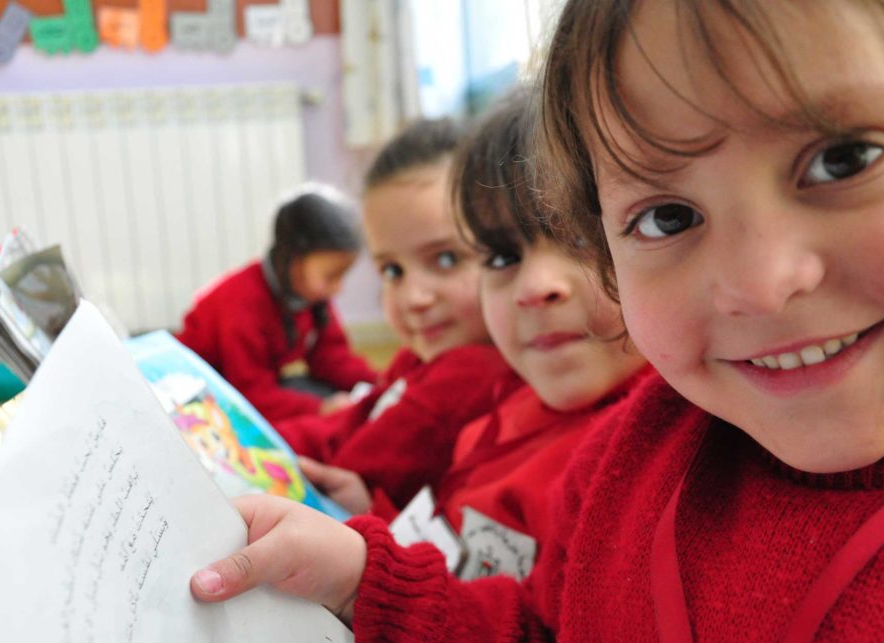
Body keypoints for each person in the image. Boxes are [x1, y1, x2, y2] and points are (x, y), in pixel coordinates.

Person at [193, 0, 884, 643]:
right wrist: (366, 586)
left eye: (843, 160)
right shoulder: (629, 462)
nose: (758, 285)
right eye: (667, 217)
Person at [297, 90, 648, 583]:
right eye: (502, 257)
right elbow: (450, 547)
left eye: (581, 238)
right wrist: (375, 515)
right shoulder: (510, 401)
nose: (534, 287)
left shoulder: (627, 461)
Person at [276, 118, 519, 512]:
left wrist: (268, 453)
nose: (413, 298)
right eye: (392, 271)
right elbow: (354, 419)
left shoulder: (468, 373)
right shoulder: (424, 357)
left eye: (446, 258)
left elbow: (347, 468)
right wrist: (260, 437)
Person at [176, 184, 377, 422]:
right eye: (331, 276)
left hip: (252, 383)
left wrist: (380, 383)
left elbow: (330, 356)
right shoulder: (243, 304)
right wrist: (321, 408)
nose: (338, 288)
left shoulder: (310, 295)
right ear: (294, 260)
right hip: (198, 393)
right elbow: (251, 393)